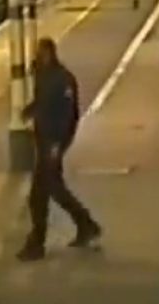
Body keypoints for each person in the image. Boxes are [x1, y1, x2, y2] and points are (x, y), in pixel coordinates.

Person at [16, 37, 101, 262]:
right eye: (38, 54)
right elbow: (43, 102)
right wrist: (30, 110)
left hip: (52, 144)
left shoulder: (64, 80)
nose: (40, 58)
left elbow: (69, 115)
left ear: (52, 54)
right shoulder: (42, 76)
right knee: (53, 190)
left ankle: (37, 244)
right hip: (44, 141)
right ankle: (86, 225)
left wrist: (59, 145)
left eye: (43, 54)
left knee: (39, 195)